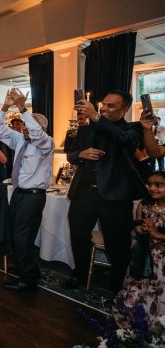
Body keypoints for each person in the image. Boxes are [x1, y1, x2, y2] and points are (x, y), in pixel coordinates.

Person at [63, 90, 146, 293]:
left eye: (111, 106)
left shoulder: (133, 128)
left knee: (117, 243)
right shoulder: (87, 129)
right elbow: (71, 154)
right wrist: (81, 153)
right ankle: (79, 275)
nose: (104, 108)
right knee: (78, 237)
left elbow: (124, 141)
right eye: (104, 105)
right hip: (83, 193)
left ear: (124, 109)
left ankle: (118, 287)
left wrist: (95, 116)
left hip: (115, 196)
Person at [0, 88, 54, 292]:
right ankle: (30, 270)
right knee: (18, 236)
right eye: (27, 126)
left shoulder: (46, 143)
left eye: (31, 126)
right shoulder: (20, 139)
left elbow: (36, 132)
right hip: (18, 195)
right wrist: (5, 107)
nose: (27, 129)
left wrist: (22, 107)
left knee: (23, 238)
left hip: (33, 198)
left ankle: (27, 280)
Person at [113, 171, 165, 330]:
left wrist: (157, 234)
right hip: (143, 254)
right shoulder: (144, 204)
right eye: (150, 184)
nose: (153, 188)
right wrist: (142, 230)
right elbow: (136, 228)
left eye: (159, 185)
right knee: (136, 288)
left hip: (162, 257)